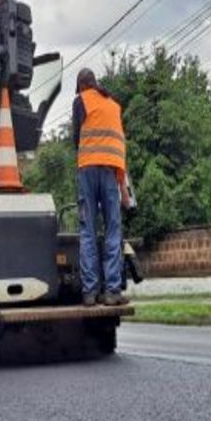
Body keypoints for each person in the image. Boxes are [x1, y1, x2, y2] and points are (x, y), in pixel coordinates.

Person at [73, 68, 130, 307]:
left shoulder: (81, 101)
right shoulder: (115, 106)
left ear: (82, 86)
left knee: (87, 230)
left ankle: (90, 292)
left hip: (88, 170)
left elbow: (76, 139)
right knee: (113, 230)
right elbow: (119, 148)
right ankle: (112, 292)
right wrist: (123, 187)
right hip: (111, 172)